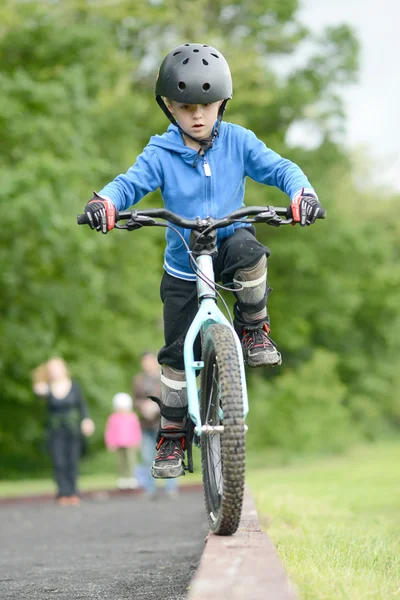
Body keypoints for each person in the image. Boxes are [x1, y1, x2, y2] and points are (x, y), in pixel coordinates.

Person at [82, 43, 322, 481]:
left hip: (230, 239)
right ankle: (172, 435)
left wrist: (300, 192)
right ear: (169, 108)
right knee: (174, 358)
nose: (197, 115)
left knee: (252, 254)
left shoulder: (239, 141)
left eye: (206, 106)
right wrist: (106, 202)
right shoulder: (160, 153)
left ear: (222, 105)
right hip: (183, 264)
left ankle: (253, 331)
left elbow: (281, 168)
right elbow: (128, 183)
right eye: (185, 106)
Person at [32, 357, 95, 506]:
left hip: (72, 429)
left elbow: (82, 406)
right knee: (59, 462)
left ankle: (73, 492)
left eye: (57, 368)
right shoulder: (46, 388)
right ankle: (63, 492)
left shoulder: (74, 386)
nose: (55, 372)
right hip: (55, 431)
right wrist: (38, 390)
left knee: (72, 461)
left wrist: (86, 420)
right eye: (52, 370)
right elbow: (38, 398)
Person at [132, 352, 179, 498]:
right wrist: (143, 407)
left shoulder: (165, 378)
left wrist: (156, 407)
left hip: (164, 424)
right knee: (147, 458)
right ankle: (149, 489)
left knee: (168, 456)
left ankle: (171, 488)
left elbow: (172, 397)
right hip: (146, 425)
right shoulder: (138, 380)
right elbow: (135, 400)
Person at [104, 392, 142, 490]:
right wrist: (110, 442)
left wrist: (138, 441)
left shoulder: (132, 417)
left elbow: (136, 430)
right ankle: (122, 479)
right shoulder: (113, 418)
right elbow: (110, 431)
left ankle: (132, 478)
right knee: (120, 462)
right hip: (118, 444)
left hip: (130, 443)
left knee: (131, 461)